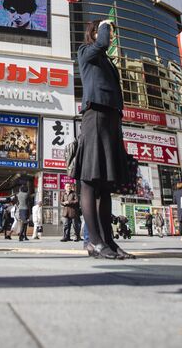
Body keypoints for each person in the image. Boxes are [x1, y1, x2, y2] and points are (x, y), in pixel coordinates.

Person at [74, 20, 134, 260]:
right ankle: (94, 242)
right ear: (94, 33)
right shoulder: (86, 51)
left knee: (105, 185)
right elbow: (101, 43)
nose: (108, 35)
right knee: (89, 180)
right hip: (95, 115)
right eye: (102, 31)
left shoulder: (105, 59)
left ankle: (109, 240)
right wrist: (105, 25)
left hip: (110, 117)